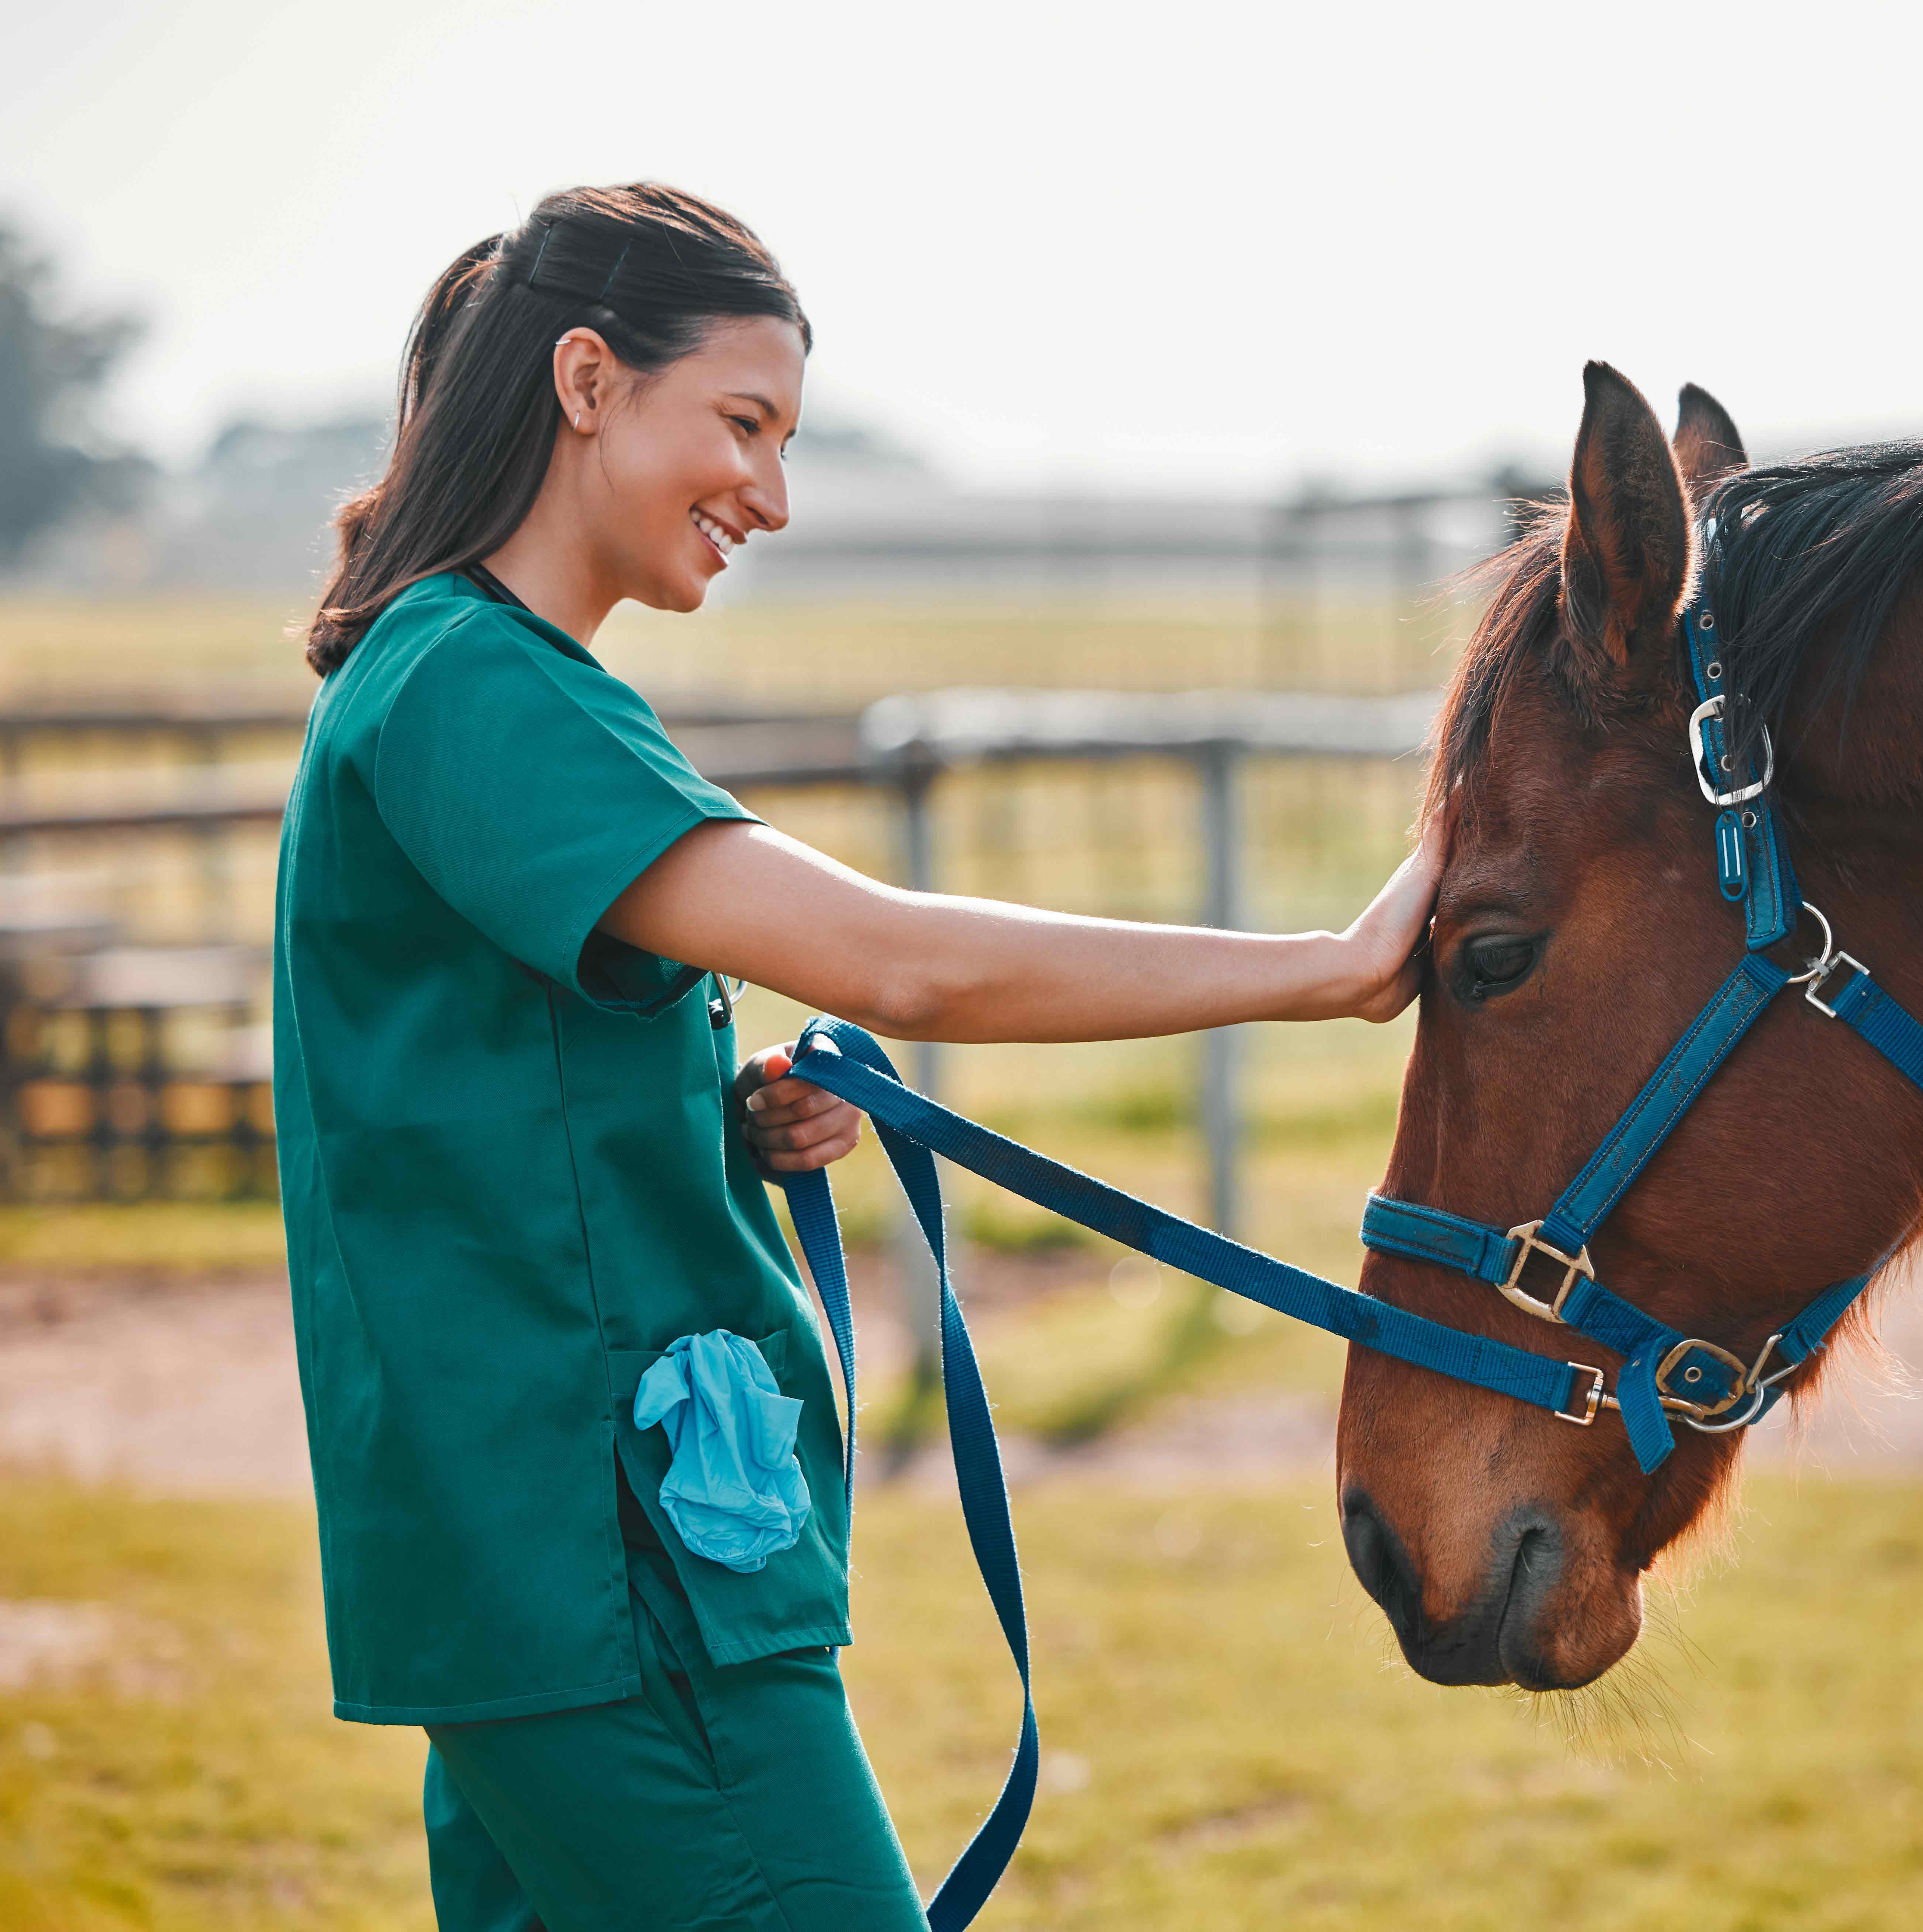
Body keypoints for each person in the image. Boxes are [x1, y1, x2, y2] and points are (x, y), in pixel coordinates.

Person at [276, 182, 1437, 1932]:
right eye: (739, 424)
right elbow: (902, 957)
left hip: (540, 1568)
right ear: (587, 383)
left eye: (789, 439)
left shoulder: (451, 674)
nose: (774, 492)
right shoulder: (475, 686)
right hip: (614, 1573)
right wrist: (1329, 968)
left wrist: (722, 1115)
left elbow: (488, 1086)